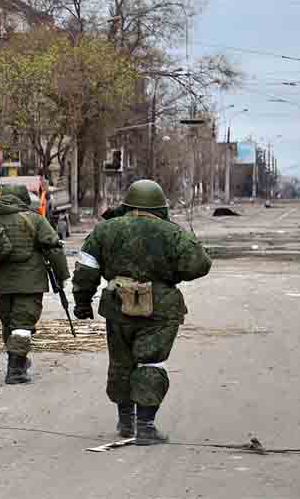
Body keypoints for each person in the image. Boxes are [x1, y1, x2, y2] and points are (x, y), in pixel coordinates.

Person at [71, 179, 212, 445]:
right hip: (159, 309)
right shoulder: (172, 232)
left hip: (118, 307)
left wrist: (82, 302)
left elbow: (86, 269)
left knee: (121, 362)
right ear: (160, 206)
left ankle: (126, 422)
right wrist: (170, 274)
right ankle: (146, 426)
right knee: (151, 362)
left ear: (127, 203)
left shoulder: (105, 230)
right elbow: (199, 265)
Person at [0, 184, 69, 384]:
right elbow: (54, 248)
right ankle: (15, 371)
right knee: (22, 325)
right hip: (30, 283)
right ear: (24, 199)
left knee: (9, 323)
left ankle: (18, 361)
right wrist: (62, 276)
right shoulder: (35, 220)